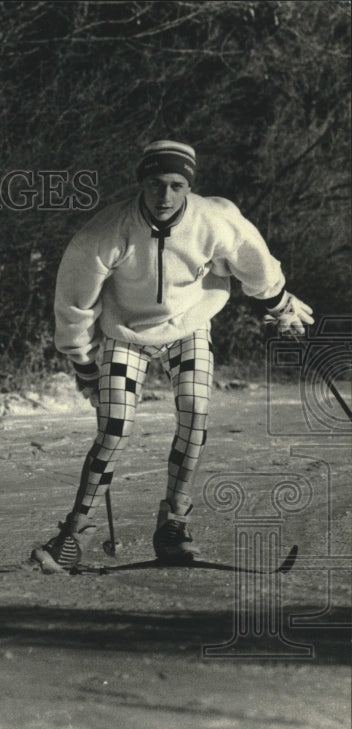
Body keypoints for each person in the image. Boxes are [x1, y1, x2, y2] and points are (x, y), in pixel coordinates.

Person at [32, 140, 314, 573]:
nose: (165, 196)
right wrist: (84, 364)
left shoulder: (213, 219)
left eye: (176, 185)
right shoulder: (106, 232)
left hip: (190, 327)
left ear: (189, 186)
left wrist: (278, 304)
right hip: (127, 334)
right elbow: (74, 304)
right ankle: (72, 535)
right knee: (114, 428)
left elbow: (252, 261)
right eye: (156, 184)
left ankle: (173, 525)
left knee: (195, 411)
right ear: (142, 183)